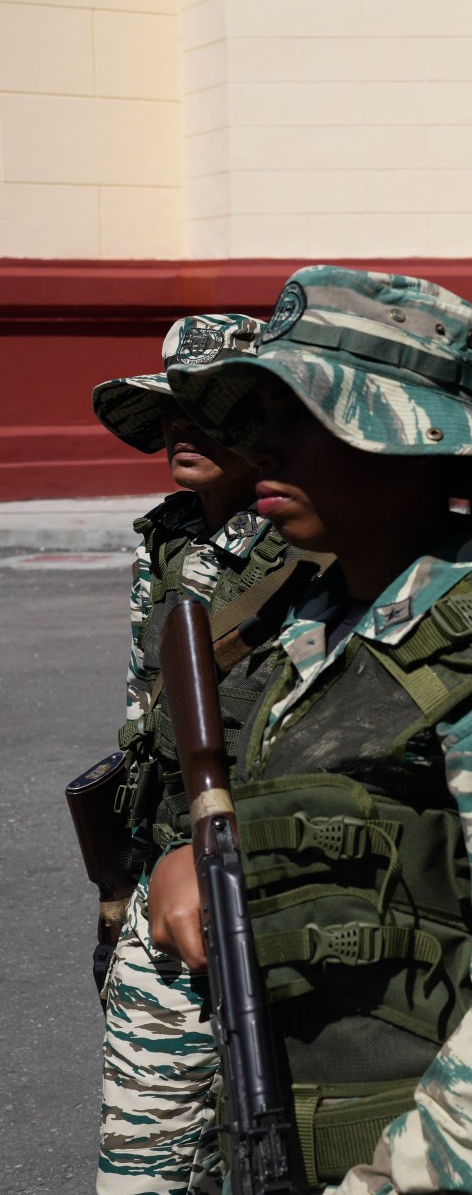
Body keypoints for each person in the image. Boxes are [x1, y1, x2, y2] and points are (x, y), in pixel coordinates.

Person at [148, 266, 472, 1193]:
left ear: (408, 441)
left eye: (298, 414)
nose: (262, 442)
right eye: (261, 412)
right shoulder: (295, 623)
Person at [92, 313, 317, 1195]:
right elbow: (144, 716)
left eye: (207, 411)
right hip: (161, 872)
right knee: (144, 1161)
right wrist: (119, 885)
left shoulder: (307, 548)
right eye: (170, 413)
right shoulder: (171, 536)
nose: (182, 431)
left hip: (259, 875)